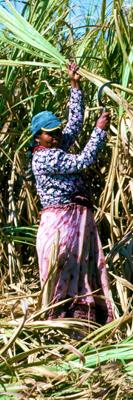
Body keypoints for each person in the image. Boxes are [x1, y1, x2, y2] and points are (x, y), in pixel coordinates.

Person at [31, 63, 113, 323]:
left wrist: (75, 84)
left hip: (73, 222)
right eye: (50, 134)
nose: (56, 137)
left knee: (79, 274)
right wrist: (99, 130)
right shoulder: (46, 158)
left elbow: (74, 126)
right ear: (37, 138)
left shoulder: (52, 146)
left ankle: (83, 325)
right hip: (61, 229)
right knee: (66, 276)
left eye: (56, 132)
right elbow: (83, 160)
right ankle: (62, 326)